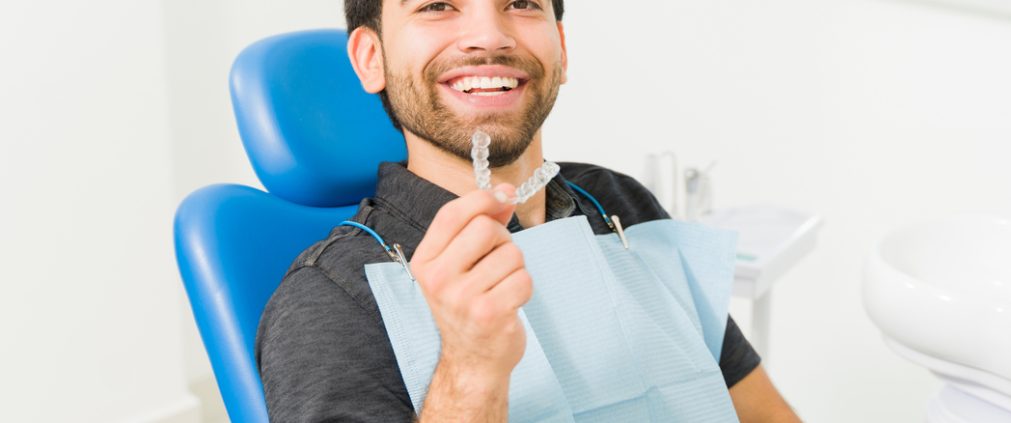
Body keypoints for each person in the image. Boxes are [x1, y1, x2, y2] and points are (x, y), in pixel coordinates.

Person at [255, 0, 801, 421]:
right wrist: (469, 369)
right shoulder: (328, 298)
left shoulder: (619, 204)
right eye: (437, 5)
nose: (490, 36)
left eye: (521, 2)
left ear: (560, 48)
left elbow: (765, 413)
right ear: (371, 59)